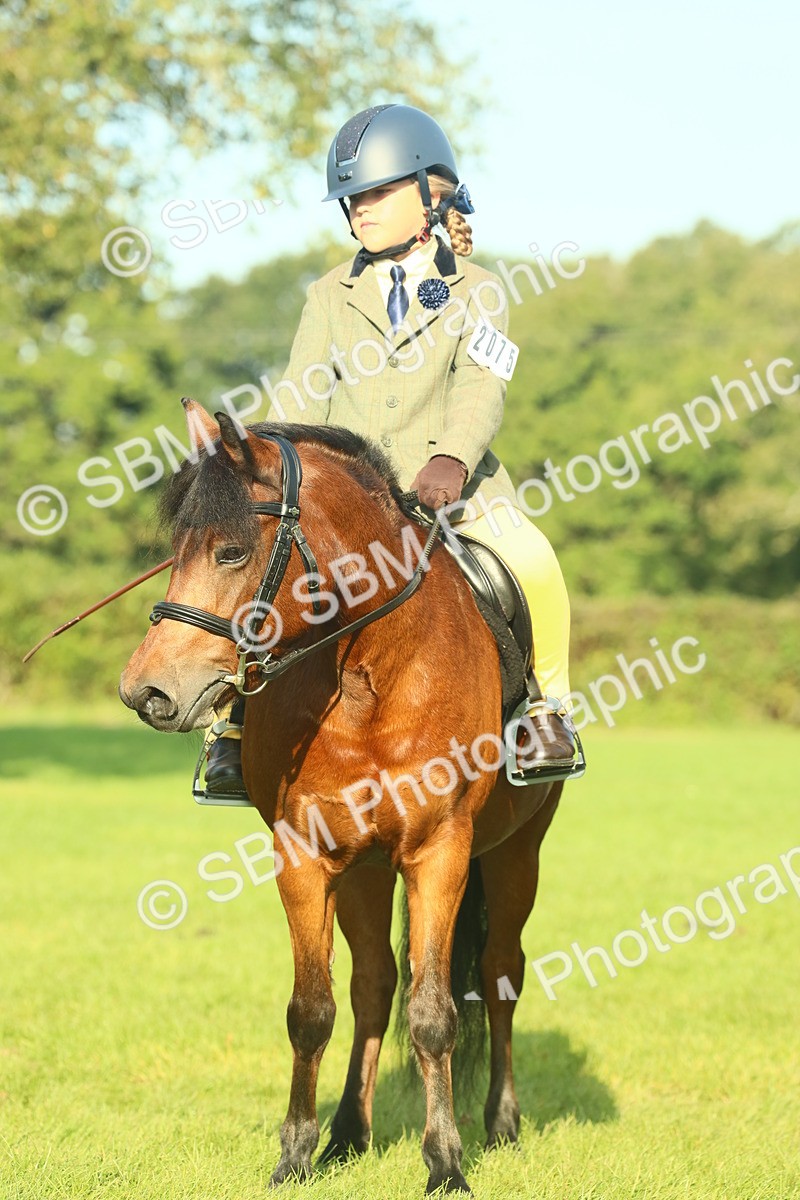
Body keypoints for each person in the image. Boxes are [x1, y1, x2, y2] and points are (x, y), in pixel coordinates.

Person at [205, 103, 576, 798]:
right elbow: (299, 397)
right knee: (259, 568)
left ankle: (548, 711)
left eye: (376, 193)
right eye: (351, 199)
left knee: (534, 560)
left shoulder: (482, 291)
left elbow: (482, 384)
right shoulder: (328, 296)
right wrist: (262, 458)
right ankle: (234, 727)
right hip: (347, 502)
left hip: (454, 492)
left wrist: (454, 459)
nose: (359, 210)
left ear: (430, 194)